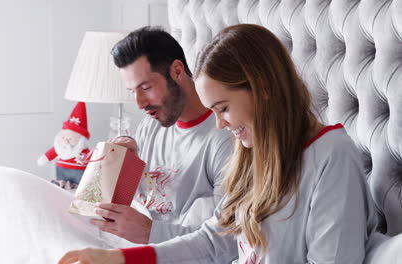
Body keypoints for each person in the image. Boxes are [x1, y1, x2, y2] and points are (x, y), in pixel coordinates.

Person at [58, 24, 378, 264]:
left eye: (223, 108)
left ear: (263, 87)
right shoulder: (252, 154)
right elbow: (215, 242)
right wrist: (119, 259)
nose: (220, 124)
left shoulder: (331, 156)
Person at [88, 26, 233, 245]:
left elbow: (227, 240)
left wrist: (150, 233)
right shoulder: (151, 125)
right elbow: (147, 201)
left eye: (145, 87)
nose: (138, 103)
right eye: (132, 91)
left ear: (177, 71)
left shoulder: (226, 138)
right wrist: (123, 168)